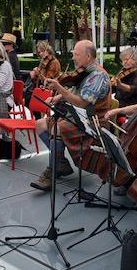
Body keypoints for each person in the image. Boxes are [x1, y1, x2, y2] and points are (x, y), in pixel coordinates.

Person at [30, 40, 110, 191]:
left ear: (88, 56)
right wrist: (57, 97)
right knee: (39, 125)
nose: (73, 57)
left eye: (76, 54)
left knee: (57, 128)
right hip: (77, 118)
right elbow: (75, 91)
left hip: (93, 121)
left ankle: (51, 172)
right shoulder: (85, 72)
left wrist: (59, 88)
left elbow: (81, 103)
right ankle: (60, 162)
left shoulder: (98, 75)